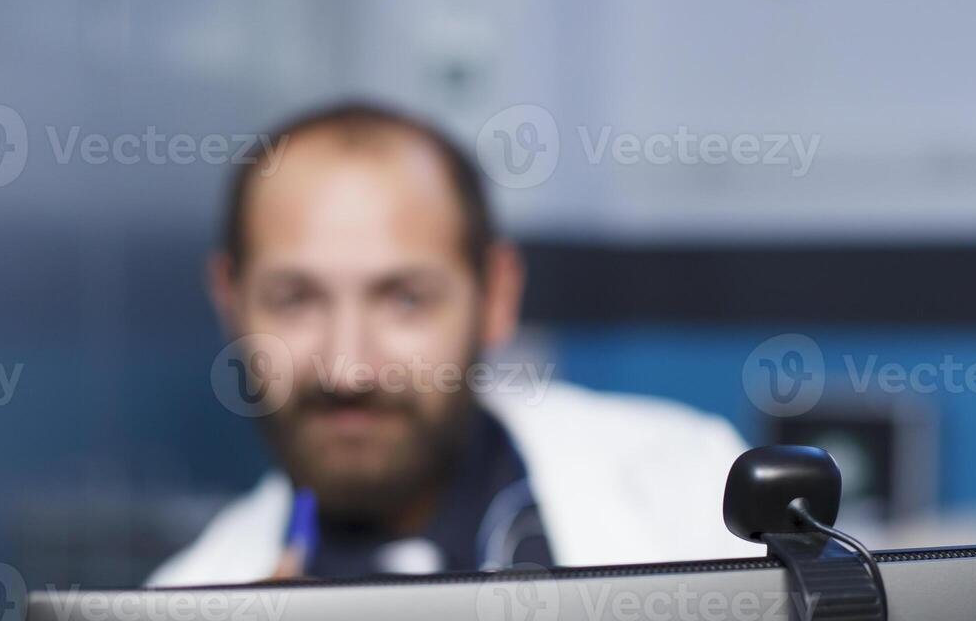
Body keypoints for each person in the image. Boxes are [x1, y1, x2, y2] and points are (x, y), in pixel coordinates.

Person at [149, 103, 756, 587]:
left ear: (495, 297)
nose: (347, 368)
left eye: (406, 299)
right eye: (295, 300)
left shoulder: (693, 488)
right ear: (229, 301)